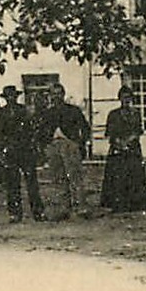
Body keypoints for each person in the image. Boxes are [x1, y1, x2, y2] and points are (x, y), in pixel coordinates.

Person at [37, 85, 90, 219]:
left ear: (63, 94)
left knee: (74, 176)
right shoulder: (47, 113)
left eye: (59, 94)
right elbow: (41, 131)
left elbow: (85, 128)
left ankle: (80, 207)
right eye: (53, 94)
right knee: (58, 177)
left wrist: (79, 143)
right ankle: (64, 208)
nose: (56, 97)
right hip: (53, 146)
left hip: (70, 144)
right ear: (50, 96)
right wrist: (45, 146)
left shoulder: (73, 111)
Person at [0, 85, 45, 222]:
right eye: (8, 97)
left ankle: (38, 212)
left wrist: (33, 146)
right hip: (10, 151)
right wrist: (1, 150)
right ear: (5, 99)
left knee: (31, 182)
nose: (11, 99)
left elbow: (33, 129)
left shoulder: (25, 110)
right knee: (12, 183)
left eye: (13, 96)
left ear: (16, 97)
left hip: (25, 150)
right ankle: (15, 213)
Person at [100, 87, 146, 213]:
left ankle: (135, 203)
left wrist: (129, 141)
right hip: (117, 148)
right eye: (123, 97)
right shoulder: (113, 114)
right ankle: (117, 204)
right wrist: (120, 143)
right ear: (119, 98)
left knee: (134, 175)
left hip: (132, 148)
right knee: (118, 176)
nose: (126, 100)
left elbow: (138, 130)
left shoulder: (135, 114)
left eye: (128, 97)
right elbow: (110, 133)